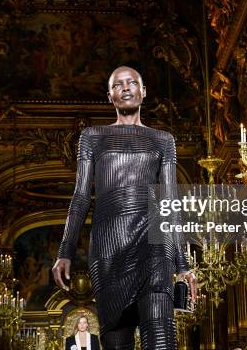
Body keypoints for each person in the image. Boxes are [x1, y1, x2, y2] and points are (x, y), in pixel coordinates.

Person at [52, 66, 197, 350]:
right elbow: (81, 196)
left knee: (161, 338)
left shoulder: (163, 140)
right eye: (118, 84)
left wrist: (182, 265)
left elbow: (169, 202)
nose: (126, 87)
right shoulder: (92, 137)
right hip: (108, 248)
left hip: (154, 247)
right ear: (110, 96)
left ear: (144, 92)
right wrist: (64, 252)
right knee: (116, 340)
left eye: (133, 83)